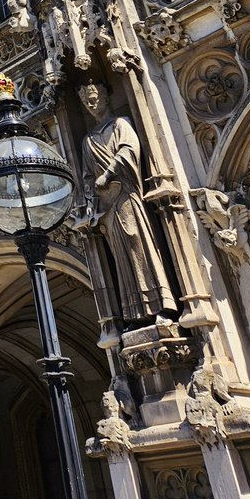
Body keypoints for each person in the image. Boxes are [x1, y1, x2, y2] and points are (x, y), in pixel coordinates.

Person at [79, 82, 176, 322]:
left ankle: (159, 306)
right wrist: (91, 202)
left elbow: (128, 150)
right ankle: (137, 312)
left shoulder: (121, 124)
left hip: (128, 198)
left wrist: (108, 173)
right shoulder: (88, 140)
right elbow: (87, 176)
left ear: (106, 97)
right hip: (108, 207)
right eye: (86, 101)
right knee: (122, 260)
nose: (91, 104)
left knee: (139, 247)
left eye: (94, 98)